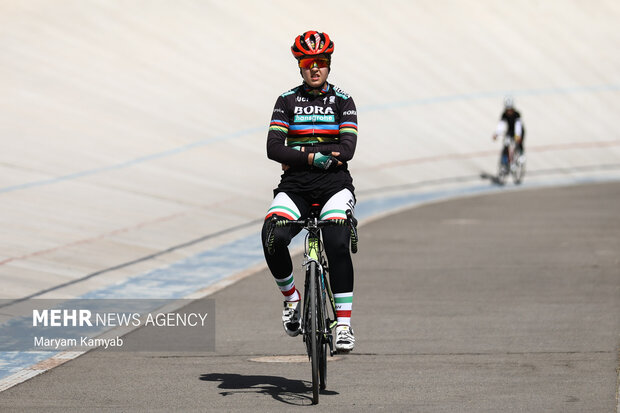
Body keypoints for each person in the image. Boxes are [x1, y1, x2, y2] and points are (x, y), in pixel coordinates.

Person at [261, 30, 358, 352]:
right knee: (272, 236)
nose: (314, 68)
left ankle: (343, 324)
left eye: (320, 62)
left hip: (334, 185)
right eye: (307, 63)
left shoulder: (343, 100)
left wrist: (299, 155)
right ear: (299, 65)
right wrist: (314, 156)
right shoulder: (287, 100)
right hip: (295, 187)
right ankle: (291, 299)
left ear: (328, 64)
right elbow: (273, 149)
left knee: (336, 241)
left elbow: (347, 149)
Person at [493, 96, 526, 166]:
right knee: (506, 143)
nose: (509, 111)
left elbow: (518, 126)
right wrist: (497, 134)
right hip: (510, 131)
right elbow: (501, 125)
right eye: (507, 109)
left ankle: (521, 154)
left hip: (519, 131)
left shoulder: (517, 114)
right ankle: (505, 159)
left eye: (510, 109)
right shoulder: (504, 114)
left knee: (519, 142)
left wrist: (518, 135)